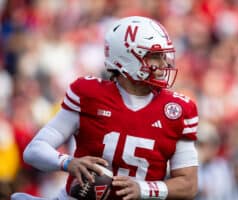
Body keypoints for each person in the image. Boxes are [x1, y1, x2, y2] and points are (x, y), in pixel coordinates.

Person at [11, 16, 199, 200]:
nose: (163, 64)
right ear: (126, 57)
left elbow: (188, 185)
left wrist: (142, 189)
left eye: (163, 56)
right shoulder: (89, 94)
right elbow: (34, 151)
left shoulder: (177, 110)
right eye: (154, 56)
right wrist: (69, 163)